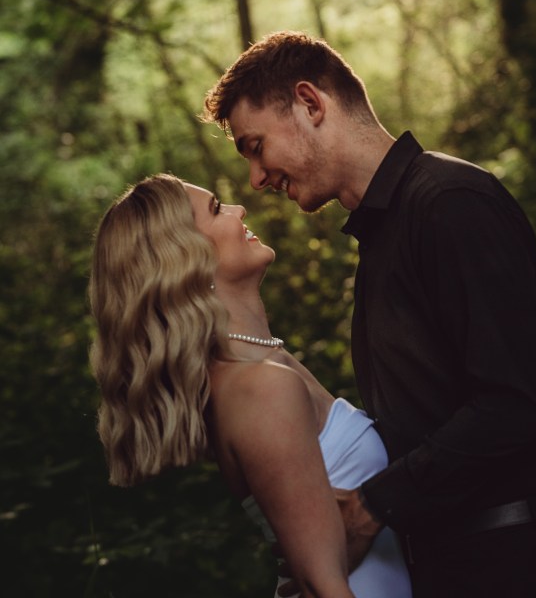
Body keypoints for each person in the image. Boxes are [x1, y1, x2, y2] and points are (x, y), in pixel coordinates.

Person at [203, 30, 536, 598]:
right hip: (450, 567)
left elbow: (515, 405)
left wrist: (370, 507)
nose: (256, 178)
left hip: (520, 565)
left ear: (310, 103)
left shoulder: (450, 203)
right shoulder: (383, 236)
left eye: (256, 146)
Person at [89, 173, 412, 598]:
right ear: (187, 257)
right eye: (216, 209)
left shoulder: (264, 364)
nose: (239, 209)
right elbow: (321, 585)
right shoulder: (259, 386)